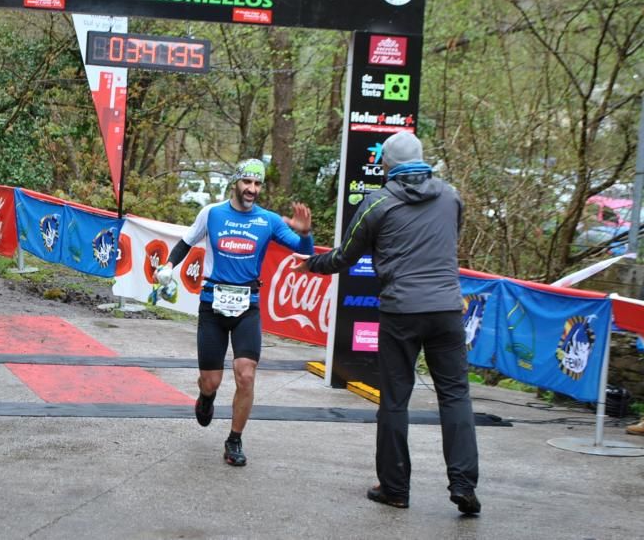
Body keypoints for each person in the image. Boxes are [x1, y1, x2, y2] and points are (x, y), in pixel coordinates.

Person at [296, 131, 481, 515]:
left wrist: (312, 263)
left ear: (387, 166)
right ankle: (463, 484)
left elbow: (345, 256)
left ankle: (395, 489)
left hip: (401, 312)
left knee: (395, 400)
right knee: (456, 396)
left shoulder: (376, 202)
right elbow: (450, 241)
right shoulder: (451, 196)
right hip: (447, 309)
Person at [155, 158, 312, 467]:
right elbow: (185, 244)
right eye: (247, 183)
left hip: (247, 307)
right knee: (211, 380)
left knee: (246, 375)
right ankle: (206, 397)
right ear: (235, 182)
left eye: (257, 184)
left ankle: (234, 439)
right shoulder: (211, 213)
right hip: (213, 305)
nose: (252, 189)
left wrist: (305, 233)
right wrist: (169, 266)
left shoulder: (268, 220)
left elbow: (304, 253)